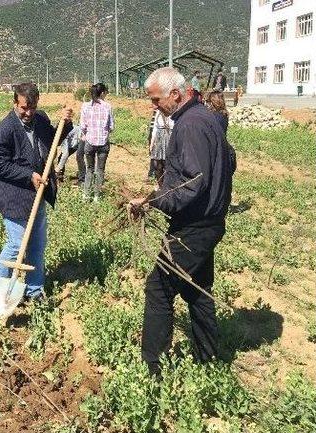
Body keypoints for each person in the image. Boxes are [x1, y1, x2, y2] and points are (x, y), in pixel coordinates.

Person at [129, 67, 236, 376]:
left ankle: (154, 370)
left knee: (158, 289)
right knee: (198, 290)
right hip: (208, 221)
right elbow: (230, 161)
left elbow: (192, 183)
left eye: (155, 99)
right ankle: (208, 359)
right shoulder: (207, 118)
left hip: (195, 226)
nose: (154, 106)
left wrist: (152, 200)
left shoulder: (189, 126)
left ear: (175, 94)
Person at [0, 82, 73, 300]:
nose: (28, 112)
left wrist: (65, 123)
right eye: (24, 108)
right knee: (17, 244)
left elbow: (53, 141)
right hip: (14, 195)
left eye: (32, 107)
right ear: (15, 103)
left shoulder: (41, 119)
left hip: (38, 194)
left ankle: (34, 291)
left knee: (37, 244)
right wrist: (29, 175)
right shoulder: (4, 129)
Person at [80, 83, 114, 202]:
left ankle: (86, 195)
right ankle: (97, 196)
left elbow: (83, 126)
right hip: (103, 143)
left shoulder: (85, 106)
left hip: (89, 142)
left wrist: (87, 133)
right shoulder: (108, 106)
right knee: (100, 170)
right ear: (103, 93)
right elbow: (111, 126)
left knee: (89, 169)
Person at [148, 108, 174, 185]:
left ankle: (167, 184)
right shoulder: (158, 112)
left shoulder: (173, 111)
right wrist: (152, 142)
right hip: (159, 138)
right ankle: (159, 183)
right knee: (157, 163)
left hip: (169, 137)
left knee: (167, 163)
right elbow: (155, 128)